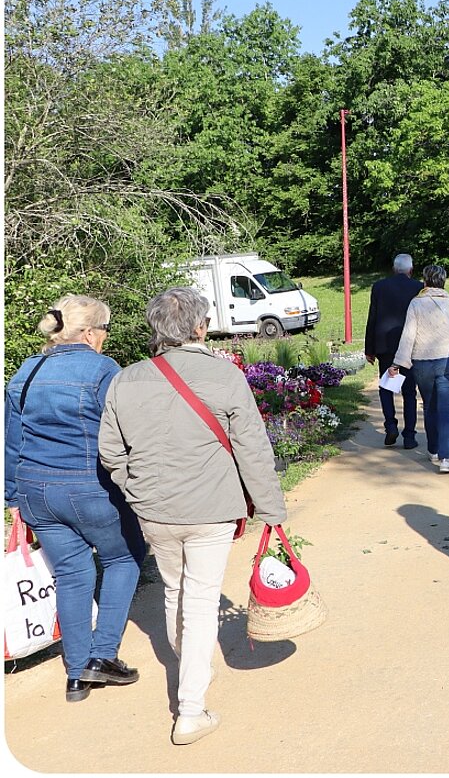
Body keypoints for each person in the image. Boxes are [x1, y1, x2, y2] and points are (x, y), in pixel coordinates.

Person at [99, 287, 286, 746]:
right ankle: (190, 708)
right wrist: (272, 510)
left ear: (155, 328)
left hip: (155, 511)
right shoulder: (224, 377)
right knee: (200, 600)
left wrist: (135, 490)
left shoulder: (126, 380)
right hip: (211, 509)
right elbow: (253, 450)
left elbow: (110, 451)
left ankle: (192, 670)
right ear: (200, 327)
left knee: (175, 592)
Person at [4, 296, 146, 704]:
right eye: (104, 331)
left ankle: (76, 675)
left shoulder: (26, 370)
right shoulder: (103, 370)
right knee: (123, 558)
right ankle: (103, 656)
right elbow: (123, 434)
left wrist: (12, 495)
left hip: (36, 491)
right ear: (88, 333)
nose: (104, 339)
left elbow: (12, 439)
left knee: (72, 574)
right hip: (90, 487)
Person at [389, 265, 449, 474]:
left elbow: (408, 335)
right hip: (448, 362)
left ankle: (433, 449)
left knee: (429, 405)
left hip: (422, 362)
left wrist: (397, 363)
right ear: (444, 281)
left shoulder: (416, 303)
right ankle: (447, 458)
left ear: (425, 281)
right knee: (446, 409)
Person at [364, 254, 424, 448]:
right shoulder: (418, 287)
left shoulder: (379, 287)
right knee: (409, 392)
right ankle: (409, 436)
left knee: (387, 388)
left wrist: (369, 348)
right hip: (409, 346)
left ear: (393, 268)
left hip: (386, 346)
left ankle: (390, 425)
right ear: (411, 270)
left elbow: (372, 317)